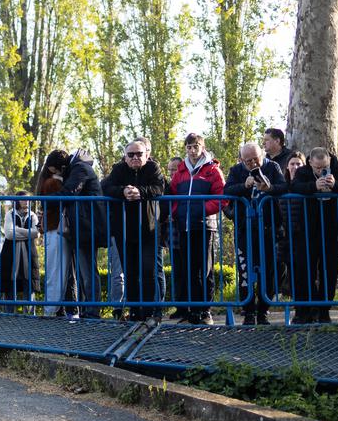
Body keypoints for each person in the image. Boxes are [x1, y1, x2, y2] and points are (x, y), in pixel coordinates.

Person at [224, 142, 288, 324]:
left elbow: (284, 187)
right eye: (248, 161)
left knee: (270, 270)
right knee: (245, 270)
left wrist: (270, 189)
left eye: (256, 159)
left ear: (262, 155)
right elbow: (227, 190)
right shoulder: (236, 170)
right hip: (245, 229)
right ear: (241, 160)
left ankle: (263, 310)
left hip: (269, 228)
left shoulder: (272, 167)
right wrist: (244, 186)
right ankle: (248, 311)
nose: (252, 163)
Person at [102, 139, 167, 316]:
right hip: (124, 231)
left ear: (147, 155)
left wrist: (140, 192)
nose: (135, 157)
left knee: (148, 270)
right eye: (131, 155)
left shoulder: (153, 168)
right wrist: (123, 191)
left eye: (139, 154)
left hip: (149, 230)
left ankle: (148, 311)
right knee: (129, 272)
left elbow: (159, 187)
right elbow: (105, 187)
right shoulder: (119, 169)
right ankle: (134, 310)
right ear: (125, 157)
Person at [288, 148, 338, 322]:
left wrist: (336, 185)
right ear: (310, 163)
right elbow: (294, 186)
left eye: (324, 166)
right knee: (305, 269)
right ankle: (306, 310)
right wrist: (313, 187)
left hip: (334, 229)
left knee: (330, 271)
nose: (321, 170)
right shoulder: (302, 172)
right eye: (317, 168)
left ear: (329, 160)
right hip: (308, 229)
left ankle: (324, 310)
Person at [169, 132, 225, 323]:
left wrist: (202, 209)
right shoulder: (181, 171)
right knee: (188, 269)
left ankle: (205, 310)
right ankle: (192, 310)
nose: (192, 151)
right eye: (189, 147)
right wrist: (178, 212)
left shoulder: (213, 170)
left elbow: (221, 197)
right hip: (184, 226)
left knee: (205, 269)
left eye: (196, 147)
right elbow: (173, 195)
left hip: (204, 226)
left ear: (203, 147)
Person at [60, 147, 108, 313]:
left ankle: (92, 311)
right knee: (85, 271)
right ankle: (88, 310)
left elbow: (69, 192)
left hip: (86, 227)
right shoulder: (82, 168)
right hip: (84, 226)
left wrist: (48, 197)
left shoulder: (80, 168)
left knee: (87, 272)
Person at [36, 149, 73, 314]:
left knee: (56, 271)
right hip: (56, 229)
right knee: (56, 272)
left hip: (53, 230)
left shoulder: (49, 181)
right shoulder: (53, 183)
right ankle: (51, 309)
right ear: (54, 168)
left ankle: (53, 309)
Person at [0, 194, 40, 304]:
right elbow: (9, 235)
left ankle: (30, 317)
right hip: (10, 254)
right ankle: (8, 316)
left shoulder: (33, 215)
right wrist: (28, 233)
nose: (26, 201)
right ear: (17, 201)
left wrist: (17, 229)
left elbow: (37, 233)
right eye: (23, 199)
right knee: (9, 285)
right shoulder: (10, 214)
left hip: (29, 253)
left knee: (29, 284)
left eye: (28, 199)